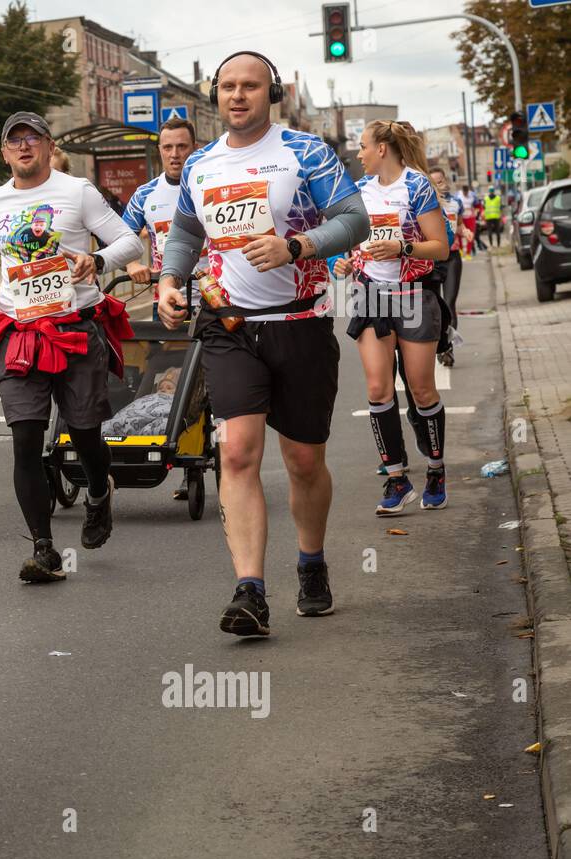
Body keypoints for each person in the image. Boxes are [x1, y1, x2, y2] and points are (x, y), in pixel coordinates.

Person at [157, 51, 370, 635]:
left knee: (303, 461)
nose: (238, 95)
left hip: (299, 321)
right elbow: (185, 230)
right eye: (227, 86)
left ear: (270, 93)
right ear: (215, 95)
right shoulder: (199, 164)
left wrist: (296, 248)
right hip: (227, 326)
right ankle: (249, 590)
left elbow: (354, 221)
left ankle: (311, 561)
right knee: (237, 453)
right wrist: (170, 280)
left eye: (250, 86)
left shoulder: (305, 153)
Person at [0, 110, 143, 583]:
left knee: (83, 433)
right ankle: (43, 547)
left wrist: (94, 259)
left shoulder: (76, 192)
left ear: (47, 145)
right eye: (13, 141)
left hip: (75, 326)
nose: (23, 147)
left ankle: (99, 490)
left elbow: (128, 243)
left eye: (31, 139)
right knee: (24, 440)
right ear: (4, 152)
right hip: (20, 332)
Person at [332, 121, 450, 517]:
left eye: (362, 146)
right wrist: (341, 261)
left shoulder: (416, 186)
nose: (358, 153)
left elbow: (441, 248)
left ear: (382, 148)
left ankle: (435, 470)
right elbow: (344, 239)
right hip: (370, 296)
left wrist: (402, 246)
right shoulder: (358, 192)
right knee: (379, 388)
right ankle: (397, 480)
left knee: (421, 391)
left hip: (413, 295)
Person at [122, 115, 210, 500]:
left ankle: (215, 449)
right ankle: (180, 451)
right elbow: (122, 240)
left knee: (215, 381)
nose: (175, 155)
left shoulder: (210, 186)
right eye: (168, 148)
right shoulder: (145, 195)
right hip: (170, 300)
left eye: (182, 147)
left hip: (214, 298)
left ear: (194, 148)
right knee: (174, 377)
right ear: (159, 151)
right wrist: (132, 265)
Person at [429, 167, 465, 368]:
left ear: (446, 182)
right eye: (433, 182)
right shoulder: (427, 204)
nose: (438, 185)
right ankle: (439, 345)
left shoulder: (456, 203)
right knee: (436, 307)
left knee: (450, 303)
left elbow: (458, 225)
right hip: (433, 260)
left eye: (440, 181)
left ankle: (448, 348)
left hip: (452, 258)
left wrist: (465, 231)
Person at [458, 183, 478, 258]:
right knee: (459, 233)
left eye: (466, 192)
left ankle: (468, 253)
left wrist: (476, 211)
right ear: (462, 191)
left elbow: (477, 205)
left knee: (470, 234)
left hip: (470, 217)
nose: (465, 194)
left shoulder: (472, 195)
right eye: (464, 192)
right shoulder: (458, 195)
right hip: (461, 217)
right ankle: (460, 250)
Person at [482, 185, 503, 250]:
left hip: (488, 217)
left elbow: (483, 207)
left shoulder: (485, 199)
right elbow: (501, 207)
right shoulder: (498, 198)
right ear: (494, 191)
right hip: (496, 216)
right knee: (497, 231)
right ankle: (498, 245)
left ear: (489, 191)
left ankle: (491, 245)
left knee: (489, 231)